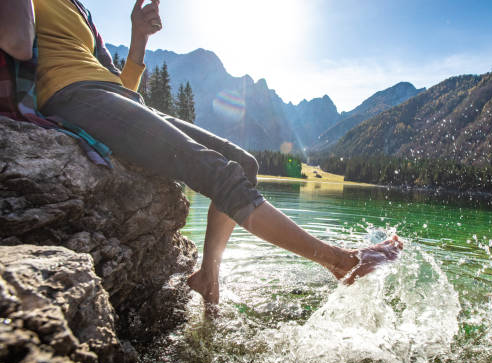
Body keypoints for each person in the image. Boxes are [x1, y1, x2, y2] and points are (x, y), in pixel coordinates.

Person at [2, 0, 403, 316]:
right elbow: (17, 42)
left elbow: (119, 84)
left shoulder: (76, 8)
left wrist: (137, 35)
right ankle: (340, 262)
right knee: (217, 172)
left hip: (113, 96)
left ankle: (208, 274)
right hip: (73, 96)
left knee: (243, 163)